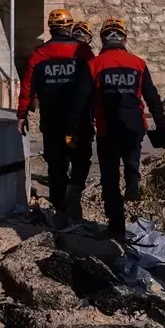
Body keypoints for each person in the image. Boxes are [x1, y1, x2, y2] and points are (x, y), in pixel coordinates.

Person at [69, 17, 165, 239]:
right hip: (135, 126)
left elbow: (79, 103)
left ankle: (116, 227)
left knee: (109, 179)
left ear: (103, 39)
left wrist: (73, 132)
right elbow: (152, 98)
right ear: (124, 38)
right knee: (132, 155)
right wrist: (161, 126)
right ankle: (133, 179)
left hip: (108, 130)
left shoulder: (93, 65)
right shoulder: (138, 63)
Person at [17, 8, 94, 215]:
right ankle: (75, 189)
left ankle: (60, 207)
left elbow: (27, 88)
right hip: (79, 121)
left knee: (56, 164)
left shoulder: (39, 54)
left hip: (52, 122)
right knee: (81, 157)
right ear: (69, 27)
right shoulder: (84, 53)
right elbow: (95, 85)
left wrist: (22, 115)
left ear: (51, 29)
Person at [65, 20, 97, 217]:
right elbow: (94, 89)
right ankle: (75, 188)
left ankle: (65, 188)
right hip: (82, 116)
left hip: (62, 115)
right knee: (82, 155)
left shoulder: (61, 54)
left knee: (66, 150)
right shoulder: (88, 56)